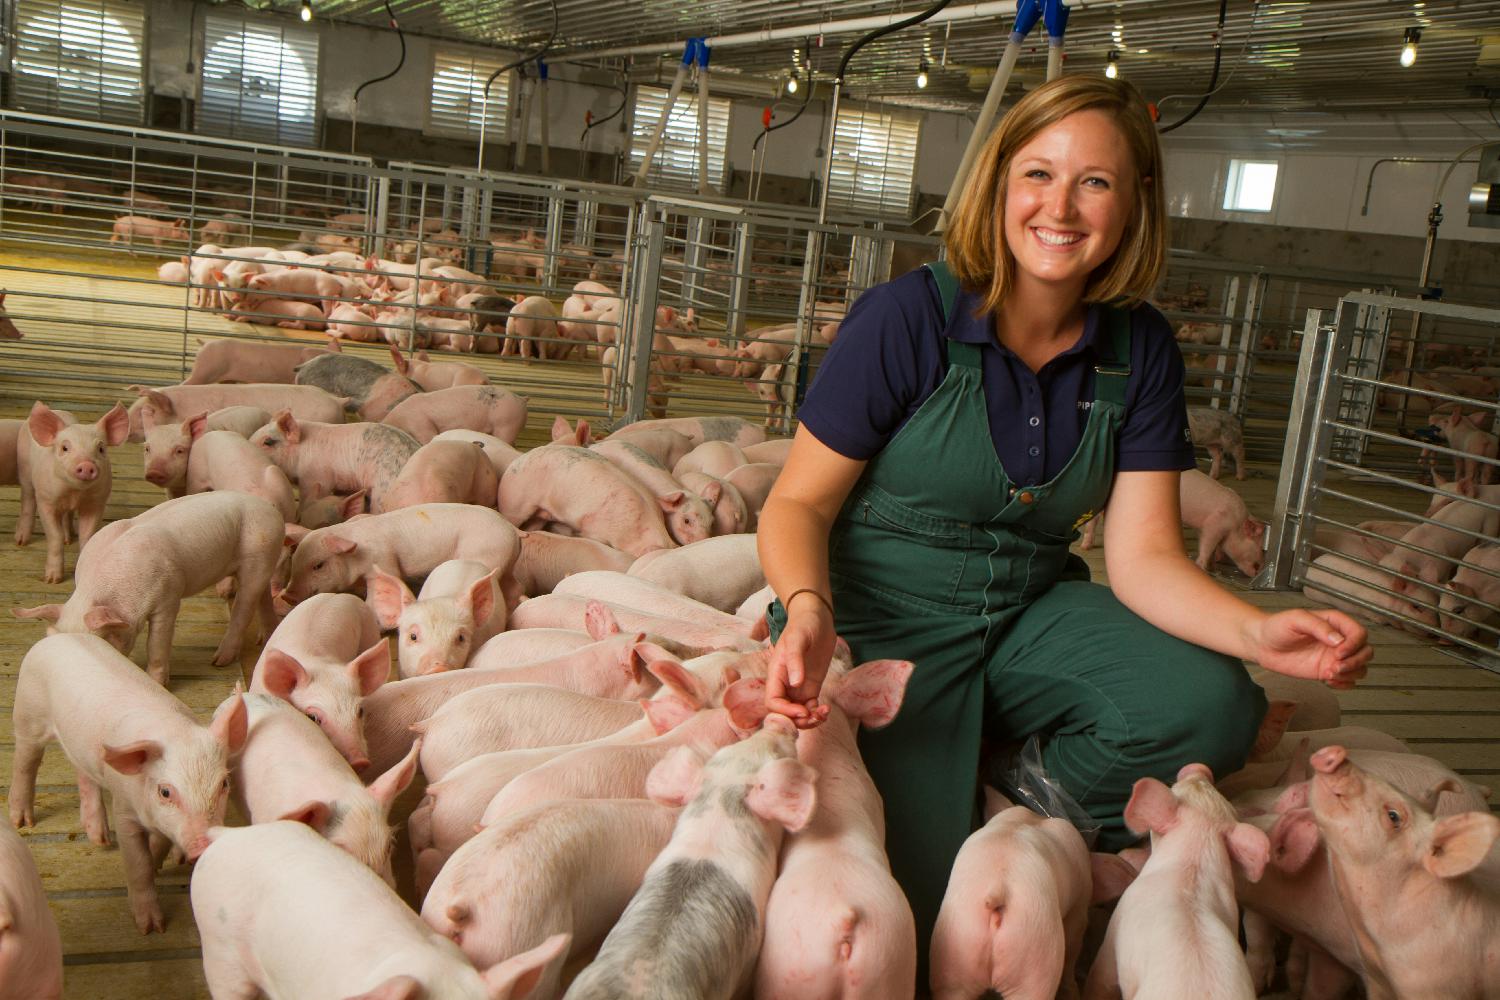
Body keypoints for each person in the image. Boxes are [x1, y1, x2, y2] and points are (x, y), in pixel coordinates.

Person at [756, 74, 1371, 976]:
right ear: (999, 185)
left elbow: (1148, 557)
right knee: (922, 916)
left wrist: (1259, 630)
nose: (1061, 206)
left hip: (1025, 612)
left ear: (1134, 205)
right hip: (875, 620)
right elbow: (798, 502)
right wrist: (807, 609)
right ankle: (972, 785)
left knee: (1213, 702)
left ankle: (1022, 791)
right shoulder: (908, 320)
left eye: (1096, 182)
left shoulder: (1139, 348)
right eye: (1038, 173)